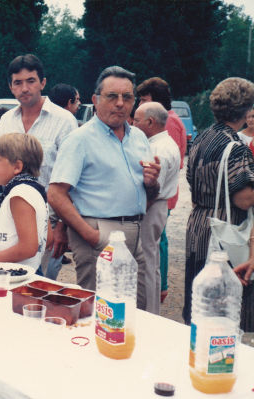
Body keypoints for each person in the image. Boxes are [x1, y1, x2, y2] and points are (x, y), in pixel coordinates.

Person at [48, 65, 161, 310]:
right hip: (99, 232)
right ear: (96, 100)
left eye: (127, 97)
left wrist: (152, 183)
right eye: (112, 96)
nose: (120, 103)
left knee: (136, 312)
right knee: (102, 313)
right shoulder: (80, 140)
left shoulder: (139, 138)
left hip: (136, 231)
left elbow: (149, 194)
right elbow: (56, 194)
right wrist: (91, 235)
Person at [0, 54, 78, 280]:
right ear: (10, 87)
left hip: (50, 220)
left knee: (42, 285)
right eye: (18, 82)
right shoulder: (6, 122)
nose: (24, 88)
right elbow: (1, 173)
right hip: (12, 215)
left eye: (31, 81)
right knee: (9, 281)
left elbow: (72, 178)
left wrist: (63, 226)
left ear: (43, 83)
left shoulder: (64, 121)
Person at [185, 77, 254, 332]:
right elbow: (243, 198)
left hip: (199, 224)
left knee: (199, 295)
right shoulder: (236, 147)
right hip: (225, 226)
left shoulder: (203, 138)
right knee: (225, 300)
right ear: (246, 110)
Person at [137, 77, 187, 303]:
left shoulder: (163, 138)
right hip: (159, 199)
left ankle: (154, 299)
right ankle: (154, 297)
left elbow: (161, 176)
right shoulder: (160, 139)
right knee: (152, 253)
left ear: (150, 121)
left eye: (143, 101)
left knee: (151, 255)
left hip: (156, 202)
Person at [133, 102, 180, 314]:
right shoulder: (164, 142)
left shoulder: (158, 149)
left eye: (136, 120)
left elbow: (151, 191)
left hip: (151, 208)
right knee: (151, 260)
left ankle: (148, 312)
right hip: (157, 207)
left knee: (146, 262)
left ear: (150, 122)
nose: (132, 124)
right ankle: (151, 310)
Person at [0, 133, 48, 270]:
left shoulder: (20, 195)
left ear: (17, 167)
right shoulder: (33, 190)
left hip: (16, 275)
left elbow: (28, 248)